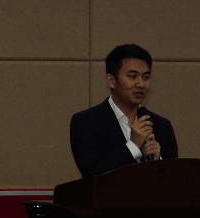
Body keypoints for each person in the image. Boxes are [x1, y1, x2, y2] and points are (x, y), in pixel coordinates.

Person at [69, 44, 179, 178]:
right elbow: (93, 173)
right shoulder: (86, 122)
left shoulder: (162, 125)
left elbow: (175, 180)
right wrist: (133, 146)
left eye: (146, 77)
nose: (141, 84)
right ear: (111, 81)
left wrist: (157, 162)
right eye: (132, 76)